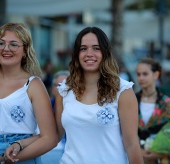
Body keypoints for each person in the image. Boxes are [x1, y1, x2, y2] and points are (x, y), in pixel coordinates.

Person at [55, 27, 144, 164]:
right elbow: (53, 137)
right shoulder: (64, 90)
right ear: (77, 54)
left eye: (96, 48)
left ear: (105, 52)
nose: (89, 53)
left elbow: (131, 144)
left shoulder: (123, 91)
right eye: (83, 48)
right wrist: (19, 145)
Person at [0, 22, 57, 163]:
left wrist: (8, 158)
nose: (6, 49)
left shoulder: (33, 85)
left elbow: (50, 138)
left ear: (25, 50)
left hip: (21, 155)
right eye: (1, 43)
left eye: (13, 44)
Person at [136, 58, 170, 164]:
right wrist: (138, 150)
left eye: (145, 74)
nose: (141, 78)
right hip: (135, 156)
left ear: (156, 75)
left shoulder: (166, 102)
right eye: (138, 74)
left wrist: (160, 153)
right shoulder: (131, 100)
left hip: (161, 159)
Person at [40, 70, 69, 164]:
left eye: (67, 85)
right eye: (59, 85)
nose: (63, 89)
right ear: (52, 88)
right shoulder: (43, 108)